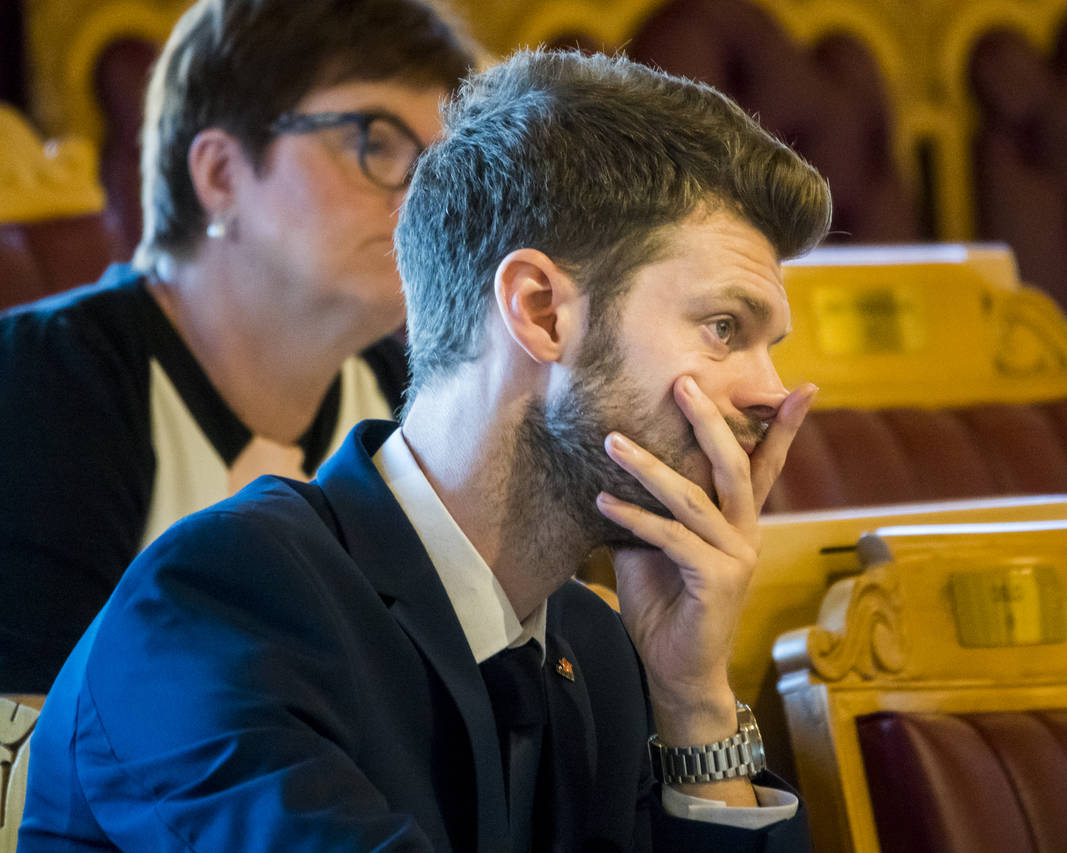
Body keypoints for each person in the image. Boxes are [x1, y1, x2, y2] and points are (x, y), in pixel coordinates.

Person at [21, 49, 833, 850]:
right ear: (542, 311)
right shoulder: (220, 604)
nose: (771, 391)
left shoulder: (602, 652)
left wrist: (694, 702)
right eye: (725, 327)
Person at [0, 0, 475, 691]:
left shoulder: (417, 401)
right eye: (374, 142)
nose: (428, 202)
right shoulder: (43, 383)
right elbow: (30, 770)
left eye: (442, 166)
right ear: (220, 174)